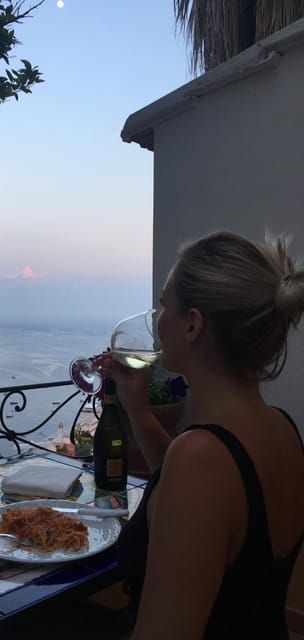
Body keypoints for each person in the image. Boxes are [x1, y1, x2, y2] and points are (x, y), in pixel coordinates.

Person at [97, 230, 304, 640]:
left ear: (192, 324)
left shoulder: (202, 461)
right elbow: (197, 505)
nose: (157, 321)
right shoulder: (282, 427)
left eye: (163, 305)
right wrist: (137, 409)